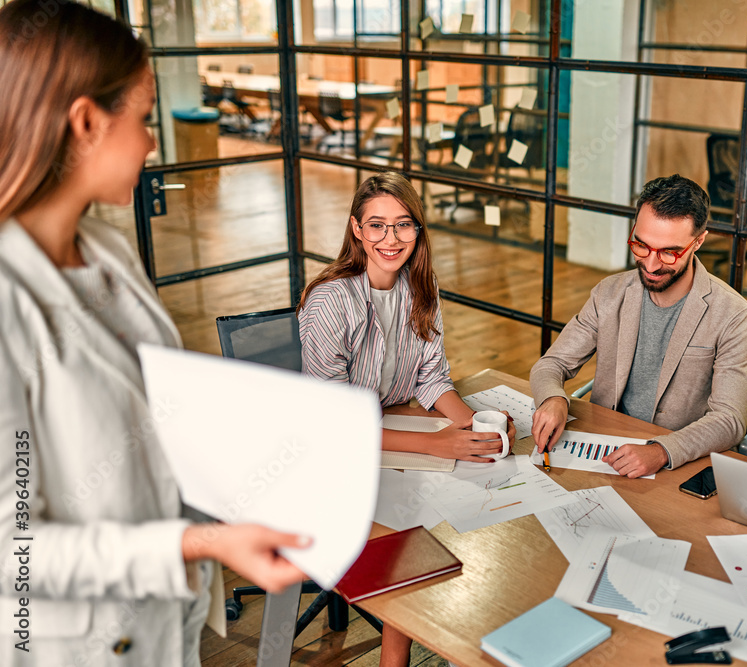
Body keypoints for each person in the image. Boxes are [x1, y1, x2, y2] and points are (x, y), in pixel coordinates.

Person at [0, 2, 309, 665]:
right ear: (84, 122)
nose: (151, 142)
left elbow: (156, 408)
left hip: (165, 627)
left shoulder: (108, 249)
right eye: (141, 118)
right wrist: (193, 545)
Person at [297, 171, 514, 667]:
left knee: (466, 503)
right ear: (356, 229)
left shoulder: (421, 286)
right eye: (376, 226)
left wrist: (474, 422)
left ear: (418, 230)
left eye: (403, 225)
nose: (390, 240)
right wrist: (437, 445)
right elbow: (335, 421)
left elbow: (430, 377)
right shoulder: (331, 301)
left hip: (394, 431)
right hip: (332, 451)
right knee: (409, 541)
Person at [530, 174, 747, 478]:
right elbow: (552, 364)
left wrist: (662, 450)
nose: (650, 265)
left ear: (699, 241)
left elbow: (730, 419)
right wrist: (554, 398)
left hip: (676, 461)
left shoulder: (733, 314)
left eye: (669, 252)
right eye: (641, 246)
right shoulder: (609, 294)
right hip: (603, 450)